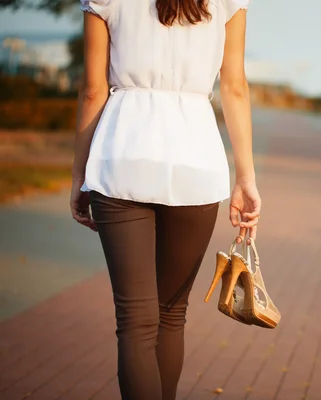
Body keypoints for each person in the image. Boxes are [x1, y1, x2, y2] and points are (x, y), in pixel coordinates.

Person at [69, 0, 261, 398]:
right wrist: (246, 177)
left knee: (136, 321)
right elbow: (235, 87)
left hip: (122, 156)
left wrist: (79, 173)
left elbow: (92, 90)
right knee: (171, 315)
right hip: (197, 160)